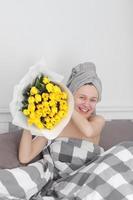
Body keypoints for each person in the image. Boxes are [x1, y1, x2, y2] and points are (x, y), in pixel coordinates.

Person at [19, 62, 105, 164]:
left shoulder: (97, 121)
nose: (87, 104)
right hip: (64, 178)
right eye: (82, 97)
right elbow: (24, 158)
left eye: (93, 100)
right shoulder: (56, 123)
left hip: (89, 175)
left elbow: (88, 132)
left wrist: (66, 103)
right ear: (72, 95)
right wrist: (28, 118)